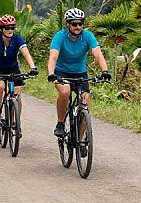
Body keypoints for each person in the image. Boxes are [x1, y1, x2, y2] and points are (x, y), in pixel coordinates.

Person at [47, 8, 111, 137]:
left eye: (80, 24)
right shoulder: (60, 36)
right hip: (61, 72)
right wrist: (51, 73)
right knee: (65, 92)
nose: (78, 27)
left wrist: (105, 71)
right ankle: (60, 123)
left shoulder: (87, 36)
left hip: (80, 73)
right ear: (68, 24)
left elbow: (97, 53)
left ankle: (81, 139)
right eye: (74, 24)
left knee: (85, 103)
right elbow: (53, 56)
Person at [0, 14, 38, 127]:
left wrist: (33, 67)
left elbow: (26, 53)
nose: (10, 30)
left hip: (13, 68)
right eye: (7, 28)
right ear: (1, 29)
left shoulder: (17, 39)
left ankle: (15, 121)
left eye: (12, 27)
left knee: (17, 93)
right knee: (0, 87)